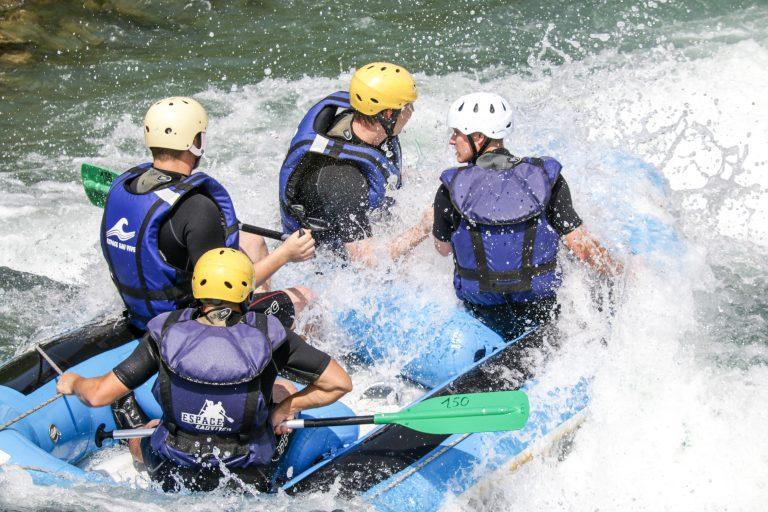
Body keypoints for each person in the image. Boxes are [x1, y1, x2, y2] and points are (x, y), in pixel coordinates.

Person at [57, 248, 352, 492]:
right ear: (247, 290)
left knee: (147, 431)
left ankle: (137, 448)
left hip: (172, 472)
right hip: (247, 478)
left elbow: (97, 396)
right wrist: (286, 407)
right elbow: (339, 383)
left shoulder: (166, 331)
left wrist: (73, 382)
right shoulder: (271, 335)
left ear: (197, 287)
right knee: (283, 389)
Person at [101, 96, 315, 332]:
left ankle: (262, 326)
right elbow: (222, 292)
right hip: (189, 326)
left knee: (251, 242)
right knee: (306, 298)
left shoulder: (125, 185)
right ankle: (277, 360)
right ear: (195, 142)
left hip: (143, 311)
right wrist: (286, 254)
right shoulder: (197, 208)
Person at [432, 92, 622, 341]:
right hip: (541, 310)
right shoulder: (544, 177)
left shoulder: (450, 186)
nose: (452, 140)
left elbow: (443, 249)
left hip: (481, 314)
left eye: (457, 133)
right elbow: (580, 246)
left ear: (478, 137)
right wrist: (619, 272)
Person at [278, 62, 432, 265]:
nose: (411, 111)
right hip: (324, 261)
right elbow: (367, 263)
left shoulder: (363, 122)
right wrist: (423, 228)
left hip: (345, 211)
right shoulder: (343, 180)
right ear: (387, 114)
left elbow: (384, 171)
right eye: (407, 107)